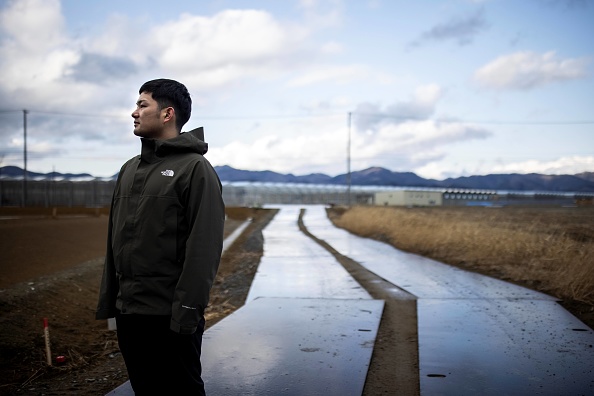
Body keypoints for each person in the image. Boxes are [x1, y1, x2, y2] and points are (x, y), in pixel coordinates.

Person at [96, 78, 225, 395]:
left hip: (169, 316)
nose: (134, 113)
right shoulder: (129, 169)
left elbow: (204, 251)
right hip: (130, 313)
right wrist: (111, 302)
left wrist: (187, 315)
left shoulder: (196, 169)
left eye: (142, 105)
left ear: (167, 114)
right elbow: (115, 243)